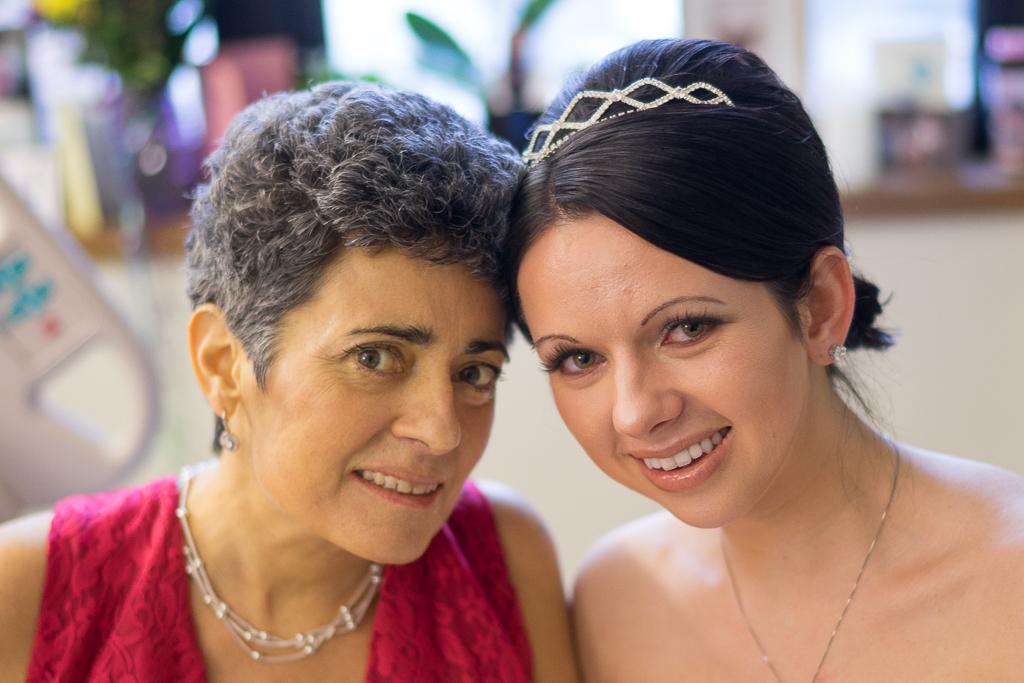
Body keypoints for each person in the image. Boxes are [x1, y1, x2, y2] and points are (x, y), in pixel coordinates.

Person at [0, 81, 577, 682]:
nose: (442, 431)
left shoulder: (502, 561)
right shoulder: (27, 597)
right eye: (376, 358)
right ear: (225, 363)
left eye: (473, 373)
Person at [507, 38, 1024, 681]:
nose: (636, 413)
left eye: (686, 328)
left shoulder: (1011, 582)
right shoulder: (615, 601)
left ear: (821, 306)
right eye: (578, 358)